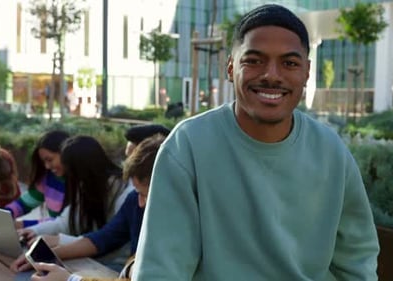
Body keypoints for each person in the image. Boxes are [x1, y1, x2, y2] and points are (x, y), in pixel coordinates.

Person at [132, 4, 380, 281]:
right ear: (230, 67)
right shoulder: (188, 146)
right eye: (254, 60)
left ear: (307, 72)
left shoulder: (332, 153)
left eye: (289, 63)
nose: (272, 75)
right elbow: (162, 268)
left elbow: (357, 259)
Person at [19, 134, 166, 281]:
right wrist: (49, 255)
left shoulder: (167, 234)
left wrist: (70, 278)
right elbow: (104, 237)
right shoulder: (134, 199)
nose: (141, 203)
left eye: (145, 195)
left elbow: (113, 250)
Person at [11, 135, 132, 270]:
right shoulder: (88, 187)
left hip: (115, 266)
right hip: (91, 260)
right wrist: (34, 231)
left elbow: (108, 240)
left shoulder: (126, 195)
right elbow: (66, 222)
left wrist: (59, 242)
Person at [5, 130, 70, 228]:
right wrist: (4, 214)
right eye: (44, 161)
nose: (47, 166)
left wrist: (22, 225)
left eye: (50, 160)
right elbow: (25, 203)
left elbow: (64, 223)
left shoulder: (82, 184)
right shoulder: (49, 179)